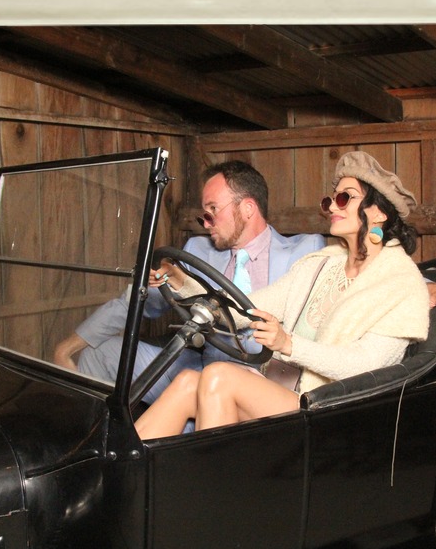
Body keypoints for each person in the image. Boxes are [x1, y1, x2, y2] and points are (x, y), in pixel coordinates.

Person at [134, 151, 434, 439]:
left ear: (378, 212)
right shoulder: (320, 265)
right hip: (282, 390)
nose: (332, 207)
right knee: (188, 382)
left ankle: (210, 476)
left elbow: (366, 365)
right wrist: (181, 281)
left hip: (330, 409)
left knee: (219, 376)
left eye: (345, 198)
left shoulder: (401, 283)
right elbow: (242, 312)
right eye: (330, 200)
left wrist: (289, 345)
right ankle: (120, 469)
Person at [53, 160, 326, 403]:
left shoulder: (305, 251)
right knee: (99, 353)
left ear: (248, 208)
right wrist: (67, 347)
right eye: (204, 214)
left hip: (264, 381)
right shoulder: (197, 251)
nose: (206, 223)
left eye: (213, 210)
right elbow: (140, 300)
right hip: (198, 366)